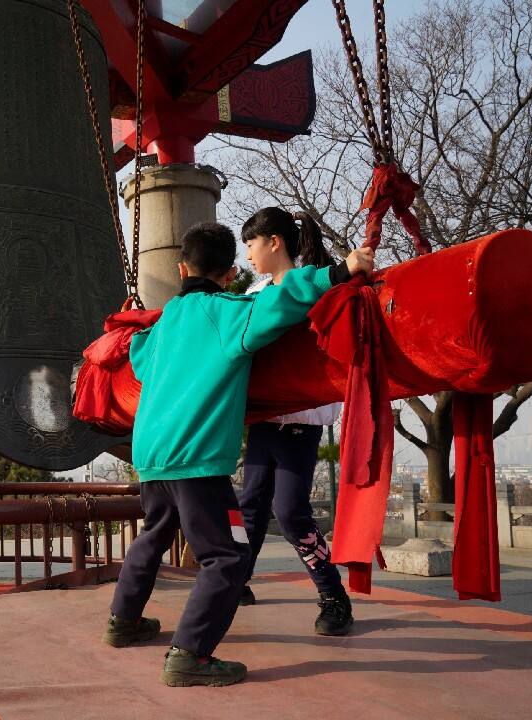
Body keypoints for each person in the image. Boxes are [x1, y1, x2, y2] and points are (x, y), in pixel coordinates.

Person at [101, 221, 373, 687]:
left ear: (182, 267)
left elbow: (140, 358)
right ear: (229, 274)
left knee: (154, 532)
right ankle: (190, 654)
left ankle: (123, 621)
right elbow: (281, 300)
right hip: (198, 459)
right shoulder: (228, 314)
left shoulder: (164, 323)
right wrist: (340, 271)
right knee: (228, 557)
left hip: (151, 457)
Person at [234, 207, 352, 636]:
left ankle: (333, 595)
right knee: (249, 507)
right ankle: (236, 581)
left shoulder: (312, 286)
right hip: (267, 416)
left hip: (300, 416)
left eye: (250, 244)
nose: (247, 254)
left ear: (273, 242)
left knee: (290, 511)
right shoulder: (257, 294)